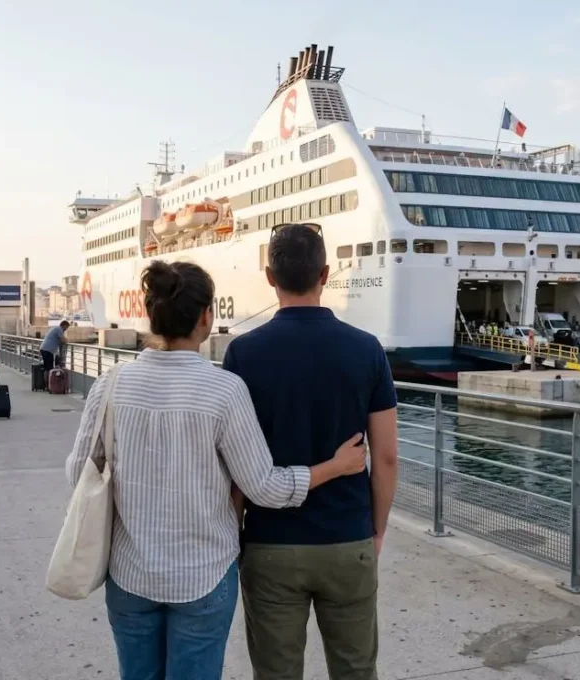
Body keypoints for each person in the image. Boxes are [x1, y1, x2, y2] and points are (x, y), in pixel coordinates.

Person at [64, 261, 367, 680]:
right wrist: (335, 467)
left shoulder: (110, 385)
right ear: (206, 317)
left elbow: (78, 473)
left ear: (150, 314)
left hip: (130, 574)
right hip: (203, 576)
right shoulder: (224, 390)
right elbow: (264, 487)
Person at [222, 224, 399, 680]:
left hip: (271, 543)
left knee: (276, 673)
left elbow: (234, 466)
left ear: (269, 277)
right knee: (356, 670)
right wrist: (376, 531)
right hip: (347, 538)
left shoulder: (242, 353)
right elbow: (386, 458)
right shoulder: (367, 349)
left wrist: (236, 537)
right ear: (325, 273)